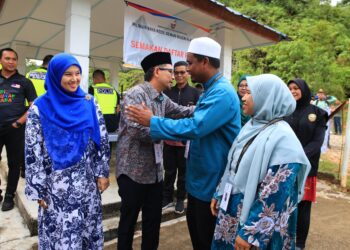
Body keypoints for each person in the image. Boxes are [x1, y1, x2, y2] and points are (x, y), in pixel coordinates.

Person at [126, 37, 241, 250]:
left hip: (211, 181)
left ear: (204, 62)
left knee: (207, 239)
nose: (185, 70)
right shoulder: (210, 89)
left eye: (190, 63)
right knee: (198, 237)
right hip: (196, 179)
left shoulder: (222, 92)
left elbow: (195, 126)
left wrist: (153, 121)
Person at [210, 74, 310, 250]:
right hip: (233, 210)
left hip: (255, 226)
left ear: (267, 98)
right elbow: (234, 164)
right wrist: (221, 192)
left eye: (250, 93)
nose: (244, 97)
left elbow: (274, 194)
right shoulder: (252, 125)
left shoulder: (284, 140)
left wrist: (251, 233)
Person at [25, 53, 110, 249]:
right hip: (57, 188)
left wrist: (102, 172)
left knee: (87, 232)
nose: (74, 79)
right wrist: (38, 188)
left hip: (88, 184)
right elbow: (32, 150)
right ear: (55, 76)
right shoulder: (40, 107)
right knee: (62, 236)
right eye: (68, 74)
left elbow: (101, 139)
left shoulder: (89, 102)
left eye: (78, 73)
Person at [116, 52, 194, 250]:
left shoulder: (161, 98)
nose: (174, 76)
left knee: (152, 224)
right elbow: (137, 131)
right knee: (128, 223)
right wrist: (173, 133)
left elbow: (181, 111)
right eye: (170, 71)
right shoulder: (136, 95)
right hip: (133, 172)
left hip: (154, 174)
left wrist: (207, 106)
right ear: (157, 72)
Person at [285, 79, 327, 250]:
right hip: (285, 165)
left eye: (296, 88)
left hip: (306, 167)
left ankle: (299, 244)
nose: (293, 91)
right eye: (289, 89)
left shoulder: (318, 113)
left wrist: (298, 156)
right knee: (284, 203)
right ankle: (283, 238)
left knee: (303, 207)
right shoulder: (284, 110)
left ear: (304, 90)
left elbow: (317, 142)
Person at [0, 48, 37, 211]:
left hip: (15, 129)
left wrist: (19, 123)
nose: (11, 61)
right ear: (1, 60)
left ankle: (9, 196)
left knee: (14, 164)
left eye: (14, 59)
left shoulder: (24, 82)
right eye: (7, 58)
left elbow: (34, 106)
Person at [162, 61, 200, 214]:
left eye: (182, 72)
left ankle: (180, 199)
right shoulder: (167, 92)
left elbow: (198, 116)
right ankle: (166, 198)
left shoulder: (195, 93)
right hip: (168, 139)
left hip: (186, 141)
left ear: (188, 73)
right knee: (169, 170)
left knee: (184, 173)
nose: (178, 75)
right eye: (176, 73)